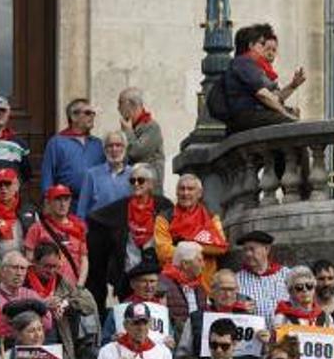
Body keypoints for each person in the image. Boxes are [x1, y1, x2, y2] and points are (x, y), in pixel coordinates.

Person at [85, 162, 172, 313]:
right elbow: (98, 219)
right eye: (132, 181)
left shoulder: (163, 205)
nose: (136, 184)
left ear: (151, 184)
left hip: (157, 276)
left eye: (141, 180)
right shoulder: (121, 207)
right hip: (128, 277)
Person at [224, 22, 301, 133]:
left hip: (252, 114)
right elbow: (263, 95)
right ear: (251, 46)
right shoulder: (243, 63)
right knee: (289, 124)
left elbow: (274, 97)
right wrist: (285, 113)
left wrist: (293, 86)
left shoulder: (248, 65)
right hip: (247, 116)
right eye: (262, 44)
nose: (265, 50)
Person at [154, 173, 228, 287]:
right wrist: (198, 252)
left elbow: (220, 247)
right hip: (175, 283)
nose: (185, 193)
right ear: (176, 192)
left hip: (206, 283)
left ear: (199, 194)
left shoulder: (211, 217)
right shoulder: (164, 218)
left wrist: (185, 247)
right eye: (181, 189)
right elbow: (163, 252)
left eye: (190, 189)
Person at [177, 268, 264, 358]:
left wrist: (263, 341)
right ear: (212, 291)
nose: (228, 294)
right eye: (223, 289)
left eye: (231, 290)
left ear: (237, 291)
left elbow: (260, 354)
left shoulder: (248, 318)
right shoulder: (196, 318)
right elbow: (183, 353)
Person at [41, 98, 105, 204]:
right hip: (67, 205)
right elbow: (48, 175)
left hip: (94, 204)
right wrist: (47, 202)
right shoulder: (57, 143)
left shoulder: (98, 144)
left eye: (93, 113)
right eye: (88, 113)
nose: (92, 116)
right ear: (73, 116)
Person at [25, 184, 88, 288]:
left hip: (73, 286)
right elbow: (30, 260)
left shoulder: (79, 227)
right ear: (49, 203)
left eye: (66, 200)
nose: (62, 204)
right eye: (58, 200)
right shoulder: (37, 228)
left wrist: (80, 285)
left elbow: (84, 259)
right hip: (46, 286)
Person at [235, 230, 293, 326]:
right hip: (253, 337)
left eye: (252, 249)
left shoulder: (287, 275)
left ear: (266, 249)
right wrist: (237, 308)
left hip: (283, 336)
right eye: (245, 250)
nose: (248, 254)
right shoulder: (236, 279)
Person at [76, 130, 131, 221]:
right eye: (110, 146)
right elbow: (81, 211)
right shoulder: (92, 175)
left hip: (124, 231)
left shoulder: (133, 175)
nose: (114, 149)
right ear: (104, 150)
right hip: (97, 231)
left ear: (124, 149)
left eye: (118, 145)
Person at [158, 241, 208, 338]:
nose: (203, 265)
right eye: (199, 261)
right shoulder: (163, 284)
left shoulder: (200, 286)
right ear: (185, 264)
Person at [117, 87, 164, 188]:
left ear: (132, 105)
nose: (118, 108)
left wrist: (128, 132)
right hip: (133, 185)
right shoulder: (130, 127)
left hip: (150, 187)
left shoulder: (151, 126)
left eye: (120, 103)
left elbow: (137, 153)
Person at [274, 265, 332, 329]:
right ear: (291, 292)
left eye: (309, 286)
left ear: (314, 288)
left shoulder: (327, 318)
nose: (305, 290)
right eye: (299, 287)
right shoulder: (282, 318)